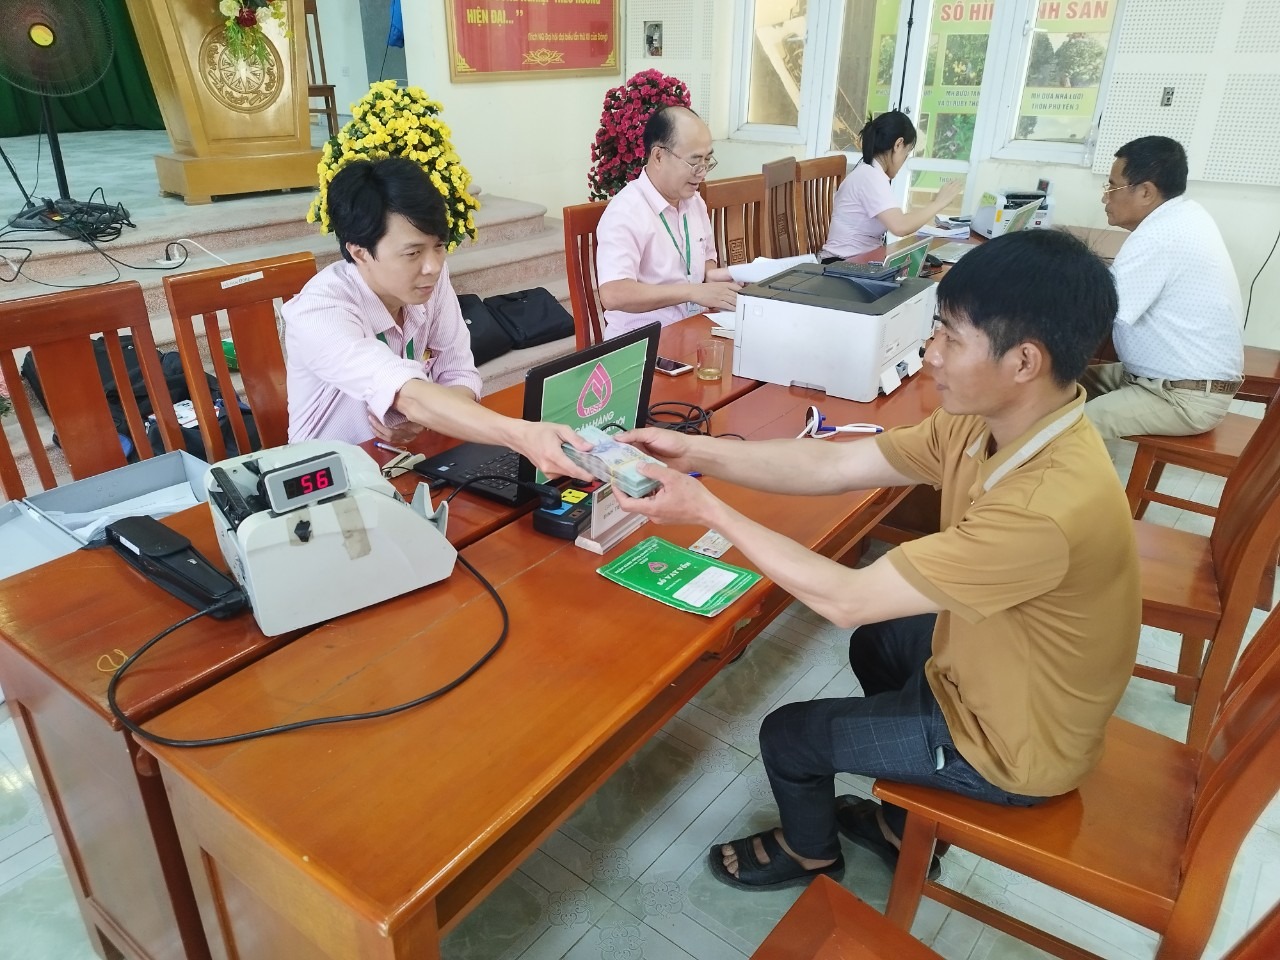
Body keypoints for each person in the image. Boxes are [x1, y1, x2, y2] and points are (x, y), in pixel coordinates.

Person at [612, 230, 1140, 891]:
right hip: (991, 663)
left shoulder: (1046, 506)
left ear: (1024, 362)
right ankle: (897, 822)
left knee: (791, 735)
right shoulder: (991, 419)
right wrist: (698, 454)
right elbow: (838, 464)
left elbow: (846, 599)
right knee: (881, 643)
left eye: (950, 337)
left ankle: (810, 851)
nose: (930, 352)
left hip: (1013, 746)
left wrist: (706, 509)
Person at [285, 157, 590, 478]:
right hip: (326, 478)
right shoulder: (319, 313)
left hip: (404, 461)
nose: (432, 266)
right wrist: (521, 435)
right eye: (413, 253)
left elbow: (459, 373)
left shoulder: (429, 280)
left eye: (439, 246)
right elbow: (405, 393)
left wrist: (426, 416)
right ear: (360, 252)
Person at [1082, 135, 1244, 439]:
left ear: (1146, 192)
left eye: (1112, 187)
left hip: (1181, 396)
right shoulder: (1185, 214)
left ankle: (1068, 465)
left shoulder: (1157, 236)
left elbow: (1100, 312)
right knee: (1051, 387)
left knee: (1069, 429)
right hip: (1155, 378)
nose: (1105, 198)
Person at [595, 106, 741, 338]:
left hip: (692, 329)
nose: (702, 172)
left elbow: (706, 257)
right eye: (694, 162)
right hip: (643, 342)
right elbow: (613, 293)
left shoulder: (694, 202)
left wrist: (713, 276)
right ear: (659, 156)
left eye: (707, 160)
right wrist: (692, 292)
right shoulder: (626, 211)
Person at [820, 111, 963, 260]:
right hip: (842, 264)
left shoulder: (871, 171)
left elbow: (900, 219)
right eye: (906, 154)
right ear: (898, 144)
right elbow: (900, 226)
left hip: (858, 262)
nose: (903, 162)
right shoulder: (870, 176)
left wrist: (933, 204)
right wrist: (938, 203)